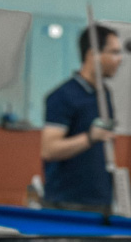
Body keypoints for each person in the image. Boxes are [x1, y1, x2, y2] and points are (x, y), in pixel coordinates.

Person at [39, 24, 124, 213]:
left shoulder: (104, 95)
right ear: (92, 55)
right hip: (66, 205)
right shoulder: (63, 96)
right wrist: (90, 138)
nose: (120, 59)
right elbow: (49, 149)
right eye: (114, 52)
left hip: (101, 203)